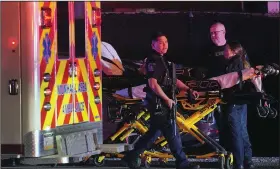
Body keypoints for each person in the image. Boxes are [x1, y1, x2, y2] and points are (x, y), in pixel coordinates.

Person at [122, 32, 200, 169]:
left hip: (162, 103)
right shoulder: (153, 61)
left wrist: (188, 90)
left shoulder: (163, 60)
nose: (165, 45)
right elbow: (153, 84)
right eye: (161, 42)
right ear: (153, 45)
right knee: (173, 133)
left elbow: (173, 80)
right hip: (160, 104)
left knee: (153, 134)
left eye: (166, 42)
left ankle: (131, 156)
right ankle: (183, 163)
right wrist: (167, 99)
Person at [223, 41, 254, 169]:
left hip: (234, 102)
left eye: (226, 49)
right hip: (242, 102)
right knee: (243, 131)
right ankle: (248, 160)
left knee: (236, 133)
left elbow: (229, 83)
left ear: (234, 51)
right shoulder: (244, 62)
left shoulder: (234, 64)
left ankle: (239, 163)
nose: (224, 51)